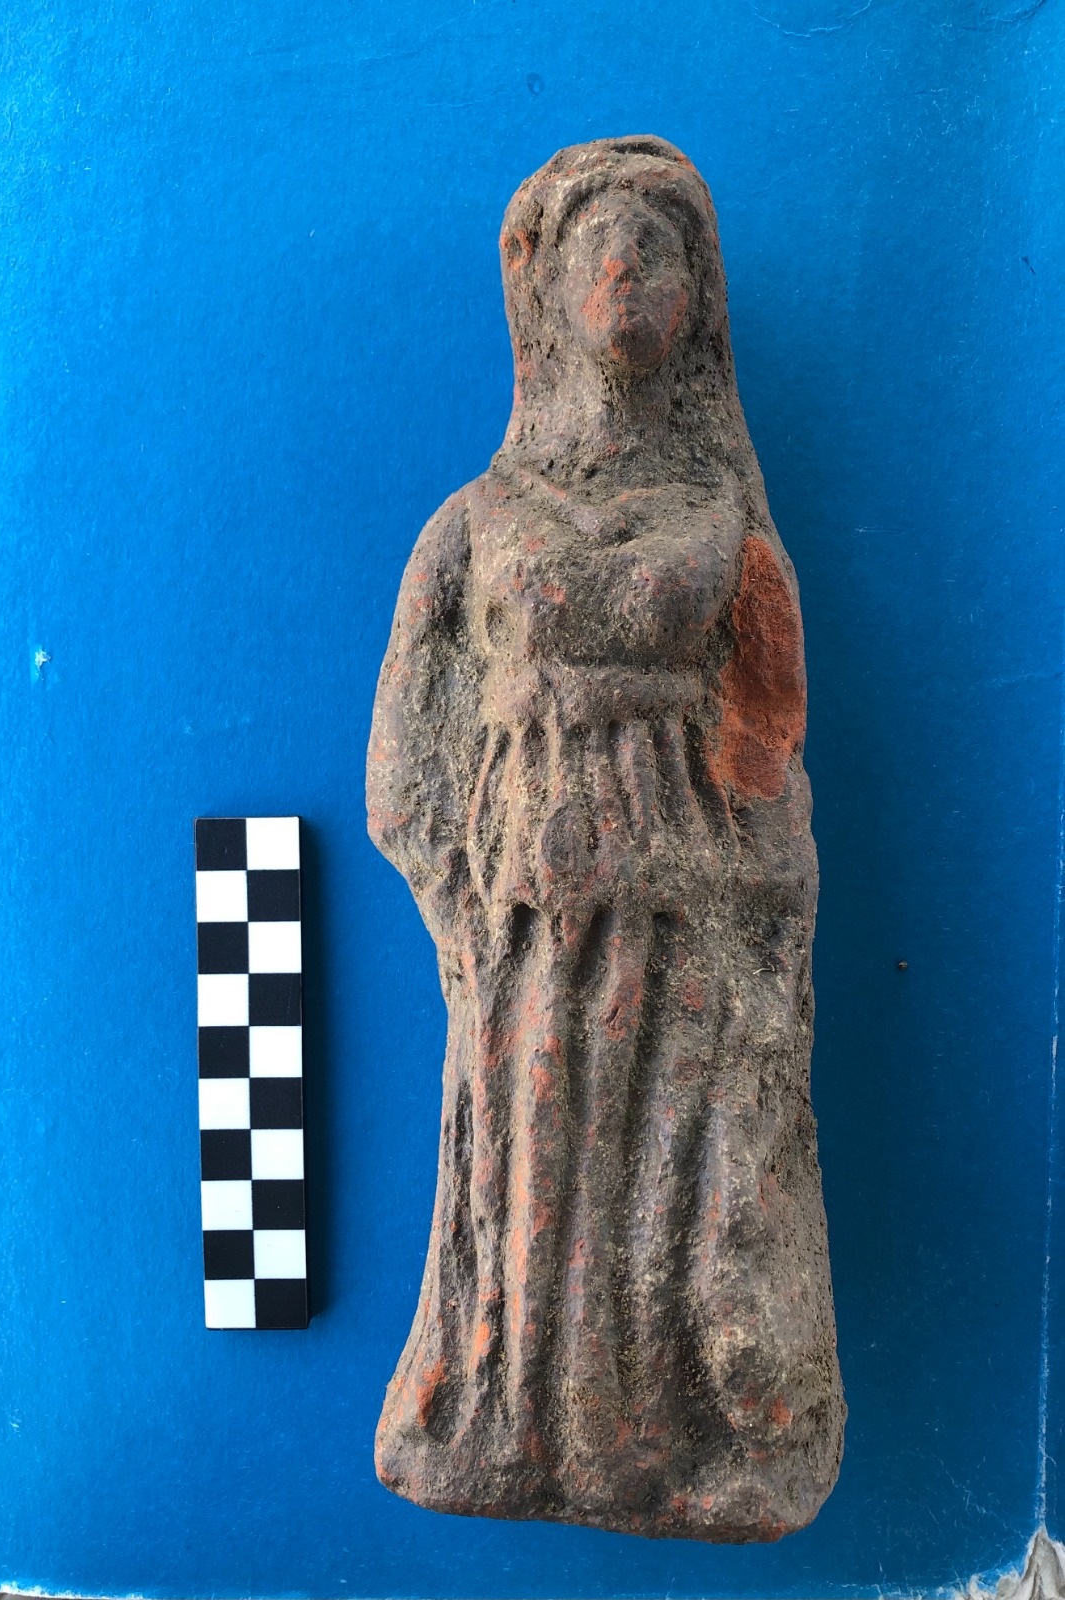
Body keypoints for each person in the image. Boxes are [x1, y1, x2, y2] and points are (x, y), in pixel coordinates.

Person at [366, 137, 845, 1542]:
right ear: (543, 289)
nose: (626, 266)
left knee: (689, 1177)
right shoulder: (476, 523)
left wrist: (768, 913)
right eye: (598, 243)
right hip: (531, 917)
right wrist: (461, 895)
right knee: (533, 1160)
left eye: (659, 245)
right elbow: (403, 759)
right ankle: (517, 1425)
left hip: (691, 909)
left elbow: (769, 729)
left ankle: (697, 1432)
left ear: (700, 299)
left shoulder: (725, 522)